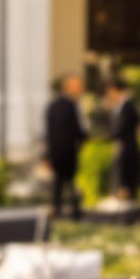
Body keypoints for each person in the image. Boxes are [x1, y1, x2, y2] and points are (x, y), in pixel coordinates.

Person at [42, 75, 88, 221]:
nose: (81, 90)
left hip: (57, 151)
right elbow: (75, 130)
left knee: (60, 183)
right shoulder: (69, 106)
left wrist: (48, 154)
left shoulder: (53, 105)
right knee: (68, 182)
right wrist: (84, 139)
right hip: (66, 151)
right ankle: (74, 210)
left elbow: (48, 133)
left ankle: (58, 209)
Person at [104, 80, 140, 204]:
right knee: (119, 174)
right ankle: (121, 197)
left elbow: (123, 128)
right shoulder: (118, 107)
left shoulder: (128, 106)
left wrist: (107, 137)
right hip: (122, 146)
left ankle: (127, 201)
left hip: (128, 148)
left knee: (126, 176)